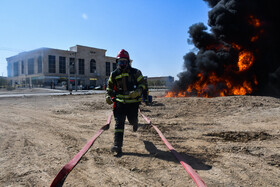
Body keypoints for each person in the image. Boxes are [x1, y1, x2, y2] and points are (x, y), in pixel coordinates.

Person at [105, 49, 146, 156]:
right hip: (119, 104)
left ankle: (135, 122)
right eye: (120, 62)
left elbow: (143, 84)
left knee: (132, 120)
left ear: (128, 62)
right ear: (117, 62)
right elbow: (109, 88)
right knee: (119, 124)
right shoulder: (114, 74)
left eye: (124, 62)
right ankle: (117, 146)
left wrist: (137, 92)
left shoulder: (136, 73)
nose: (122, 64)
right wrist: (108, 97)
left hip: (132, 104)